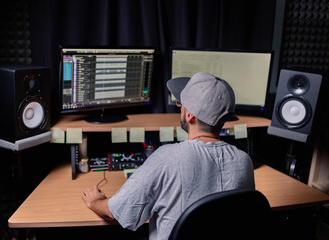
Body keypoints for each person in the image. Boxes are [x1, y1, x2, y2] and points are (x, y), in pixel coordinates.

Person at [82, 72, 255, 240]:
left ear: (189, 115)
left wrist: (95, 202)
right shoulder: (243, 161)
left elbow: (117, 212)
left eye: (181, 105)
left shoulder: (167, 158)